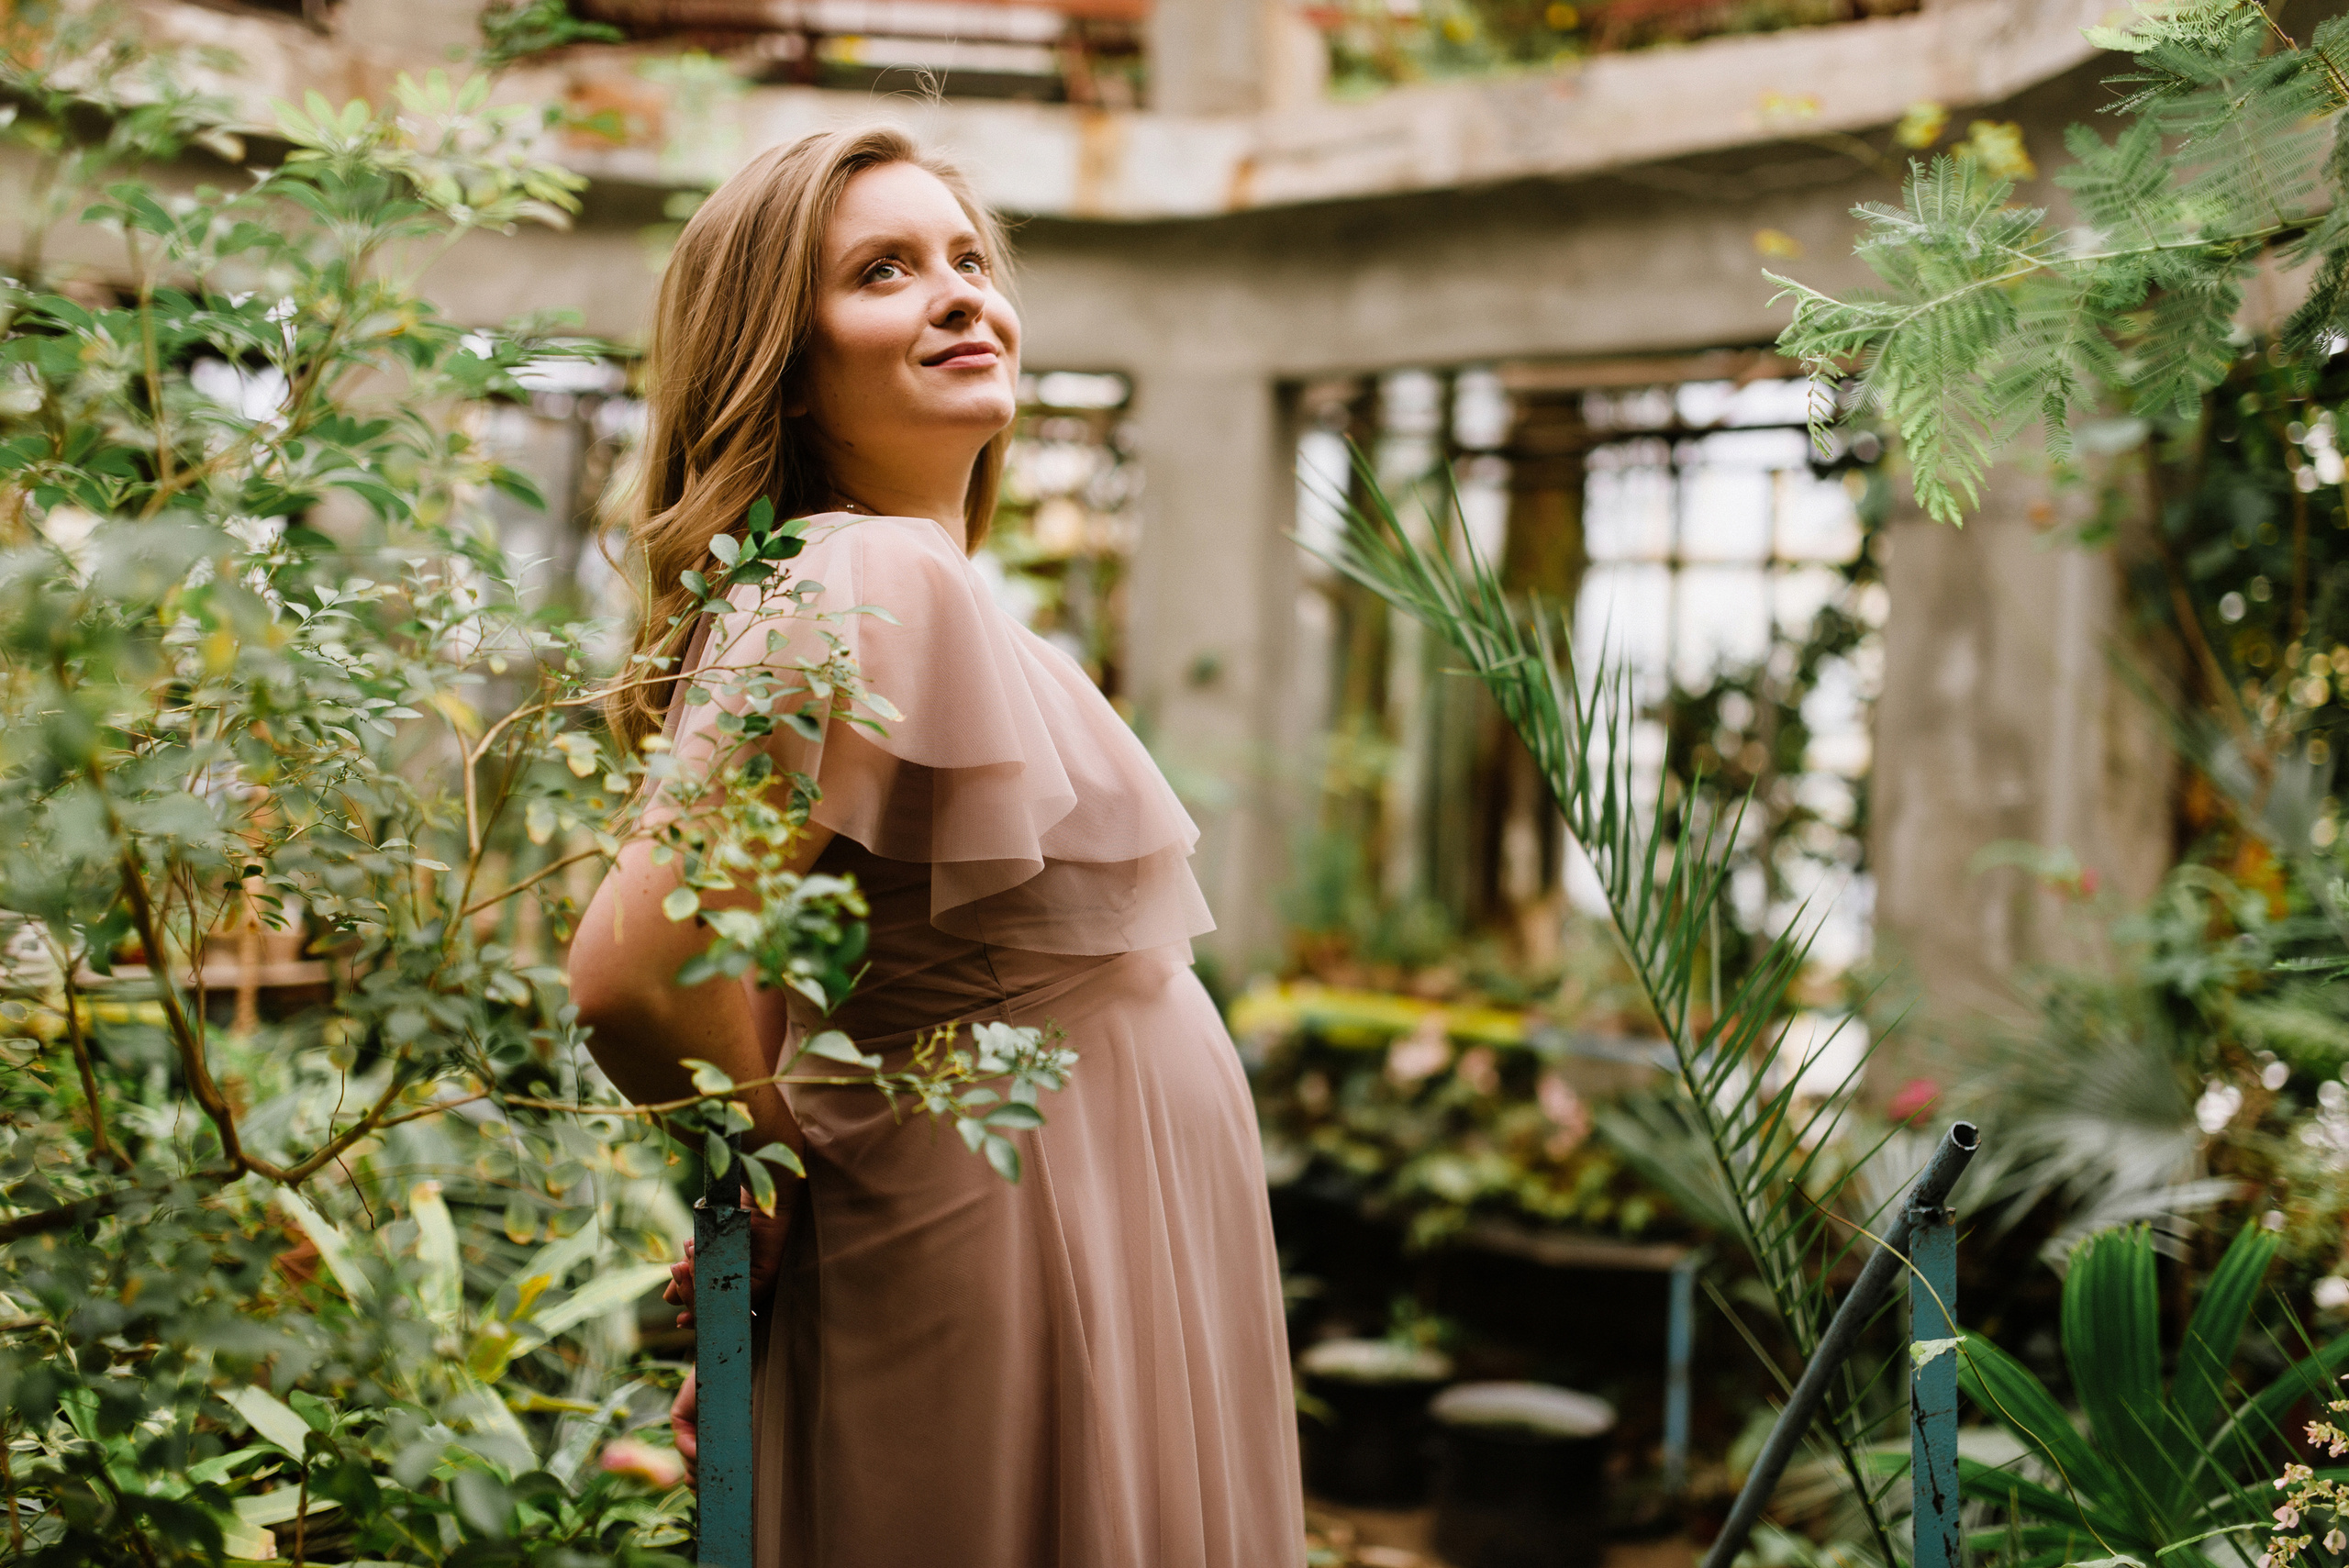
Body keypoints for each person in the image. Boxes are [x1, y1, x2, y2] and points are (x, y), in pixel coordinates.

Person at [568, 126, 1306, 1568]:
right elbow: (635, 973)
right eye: (885, 270)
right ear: (785, 358)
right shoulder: (866, 569)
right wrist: (769, 1182)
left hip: (1061, 1217)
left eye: (970, 259)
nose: (961, 294)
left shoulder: (902, 582)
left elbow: (772, 980)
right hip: (1006, 1237)